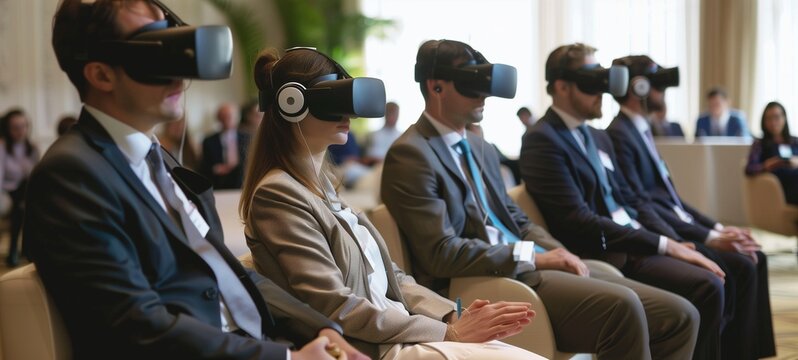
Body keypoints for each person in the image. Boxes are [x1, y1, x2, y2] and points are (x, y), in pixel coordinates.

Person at [25, 1, 364, 359]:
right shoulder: (72, 175)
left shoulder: (160, 161)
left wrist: (322, 329)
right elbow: (136, 324)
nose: (180, 71)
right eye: (155, 52)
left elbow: (228, 272)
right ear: (101, 75)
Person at [382, 39, 699, 360]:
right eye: (472, 85)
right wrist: (532, 256)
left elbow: (513, 216)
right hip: (479, 282)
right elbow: (441, 253)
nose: (484, 96)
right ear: (436, 87)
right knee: (624, 308)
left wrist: (555, 251)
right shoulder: (411, 154)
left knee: (680, 314)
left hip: (524, 267)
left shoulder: (480, 146)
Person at [240, 46, 540, 360]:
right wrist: (447, 333)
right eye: (334, 102)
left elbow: (394, 278)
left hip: (404, 329)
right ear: (293, 104)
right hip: (372, 346)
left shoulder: (321, 187)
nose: (349, 115)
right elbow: (334, 305)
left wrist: (452, 316)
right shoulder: (277, 194)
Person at [520, 43, 728, 359]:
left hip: (631, 240)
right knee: (706, 285)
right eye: (593, 82)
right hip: (606, 252)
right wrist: (661, 244)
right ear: (561, 86)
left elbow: (629, 199)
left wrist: (671, 239)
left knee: (715, 267)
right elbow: (578, 219)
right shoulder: (542, 139)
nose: (603, 90)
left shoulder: (596, 136)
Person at [607, 55, 775, 359]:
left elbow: (673, 198)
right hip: (666, 233)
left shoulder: (642, 130)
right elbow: (642, 203)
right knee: (745, 262)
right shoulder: (620, 133)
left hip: (675, 227)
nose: (663, 95)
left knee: (754, 255)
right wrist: (684, 242)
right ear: (639, 88)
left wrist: (718, 228)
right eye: (658, 87)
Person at [0, 108, 40, 267]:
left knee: (30, 203)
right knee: (20, 208)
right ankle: (14, 250)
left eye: (23, 126)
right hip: (8, 190)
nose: (20, 131)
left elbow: (37, 175)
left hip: (27, 190)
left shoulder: (32, 148)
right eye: (15, 127)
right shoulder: (2, 148)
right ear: (7, 129)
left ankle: (29, 249)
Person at [746, 101, 798, 204]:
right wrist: (766, 165)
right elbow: (749, 169)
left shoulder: (794, 141)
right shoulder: (760, 144)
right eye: (768, 119)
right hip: (780, 190)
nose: (773, 122)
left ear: (784, 118)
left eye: (776, 117)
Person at [201, 102, 251, 189]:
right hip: (219, 183)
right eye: (223, 116)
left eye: (230, 116)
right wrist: (216, 169)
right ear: (218, 118)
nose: (227, 119)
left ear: (237, 118)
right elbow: (204, 166)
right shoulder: (209, 141)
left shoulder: (247, 138)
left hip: (243, 182)